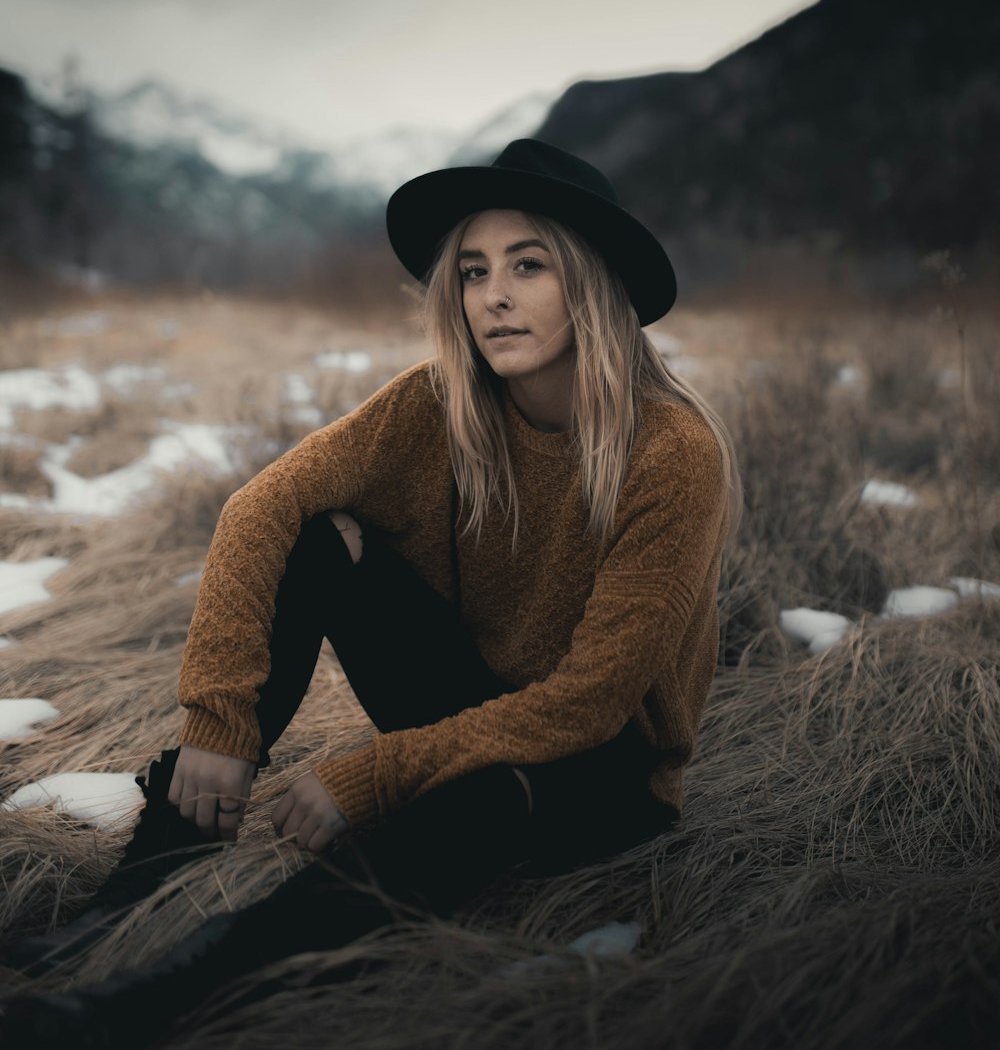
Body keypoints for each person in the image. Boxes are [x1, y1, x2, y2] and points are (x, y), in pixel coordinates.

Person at [1, 138, 742, 1045]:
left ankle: (159, 995)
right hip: (473, 698)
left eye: (528, 265)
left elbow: (588, 702)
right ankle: (144, 882)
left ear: (591, 282)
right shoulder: (437, 405)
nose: (493, 296)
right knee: (317, 543)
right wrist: (220, 721)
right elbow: (258, 508)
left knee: (468, 800)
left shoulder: (672, 453)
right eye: (472, 272)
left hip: (603, 771)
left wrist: (374, 775)